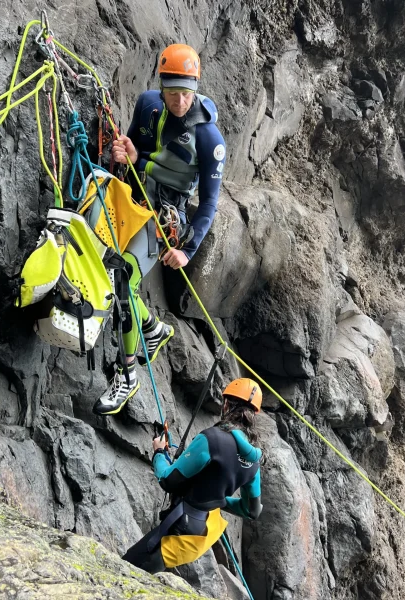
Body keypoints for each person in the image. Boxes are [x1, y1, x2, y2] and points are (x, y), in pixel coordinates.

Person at [93, 43, 226, 416]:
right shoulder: (148, 104)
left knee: (122, 283)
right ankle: (152, 329)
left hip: (163, 218)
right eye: (173, 93)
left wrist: (188, 249)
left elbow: (210, 203)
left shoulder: (210, 140)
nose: (180, 102)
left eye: (186, 94)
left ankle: (127, 376)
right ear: (162, 86)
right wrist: (125, 153)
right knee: (107, 272)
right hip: (130, 200)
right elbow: (134, 145)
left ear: (196, 89)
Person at [122, 378, 264, 573]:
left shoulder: (212, 439)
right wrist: (220, 499)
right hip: (206, 531)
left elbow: (168, 480)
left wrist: (159, 453)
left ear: (226, 404)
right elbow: (251, 511)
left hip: (184, 526)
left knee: (127, 570)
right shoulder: (254, 459)